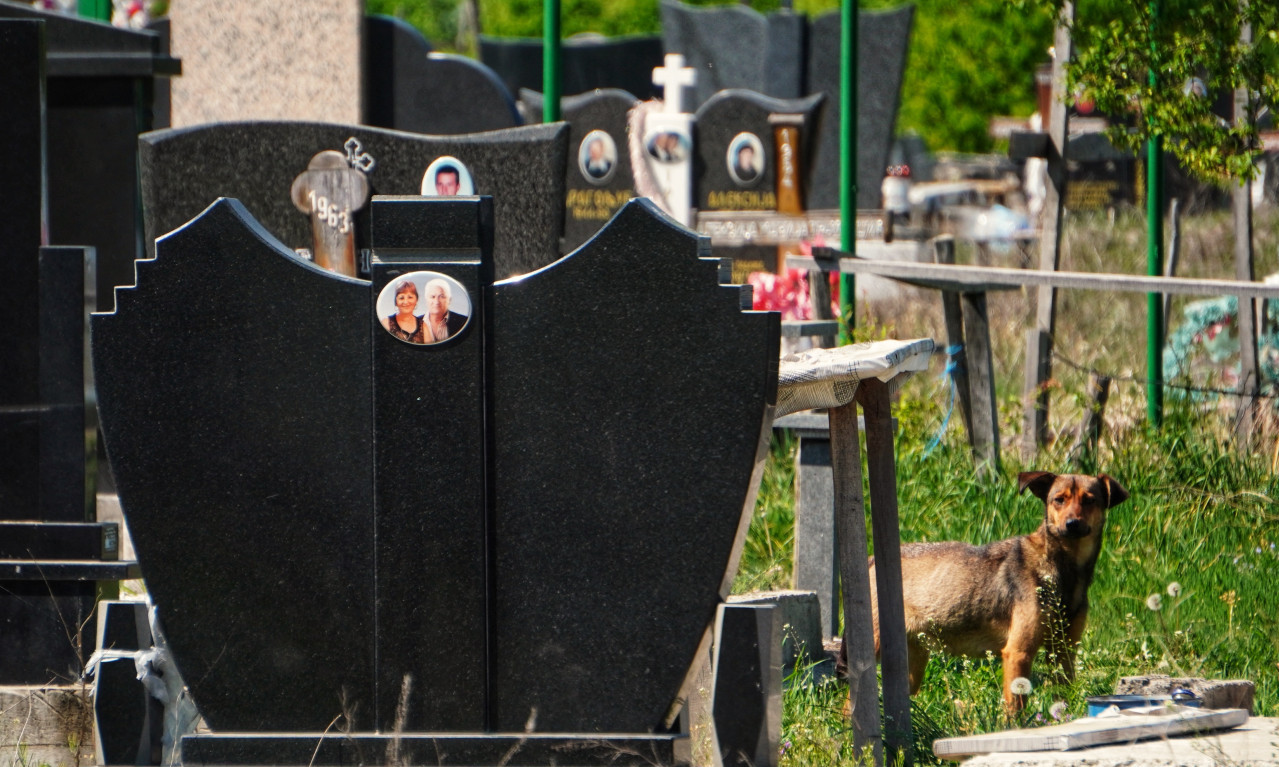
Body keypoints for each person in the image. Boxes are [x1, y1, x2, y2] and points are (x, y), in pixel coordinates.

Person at [421, 278, 468, 343]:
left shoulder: (463, 321)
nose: (437, 301)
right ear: (426, 300)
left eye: (442, 296)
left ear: (449, 300)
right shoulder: (414, 323)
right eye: (432, 296)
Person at [381, 279, 427, 344]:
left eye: (410, 297)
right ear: (396, 302)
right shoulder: (386, 323)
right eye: (401, 298)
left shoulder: (424, 326)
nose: (405, 302)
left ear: (416, 300)